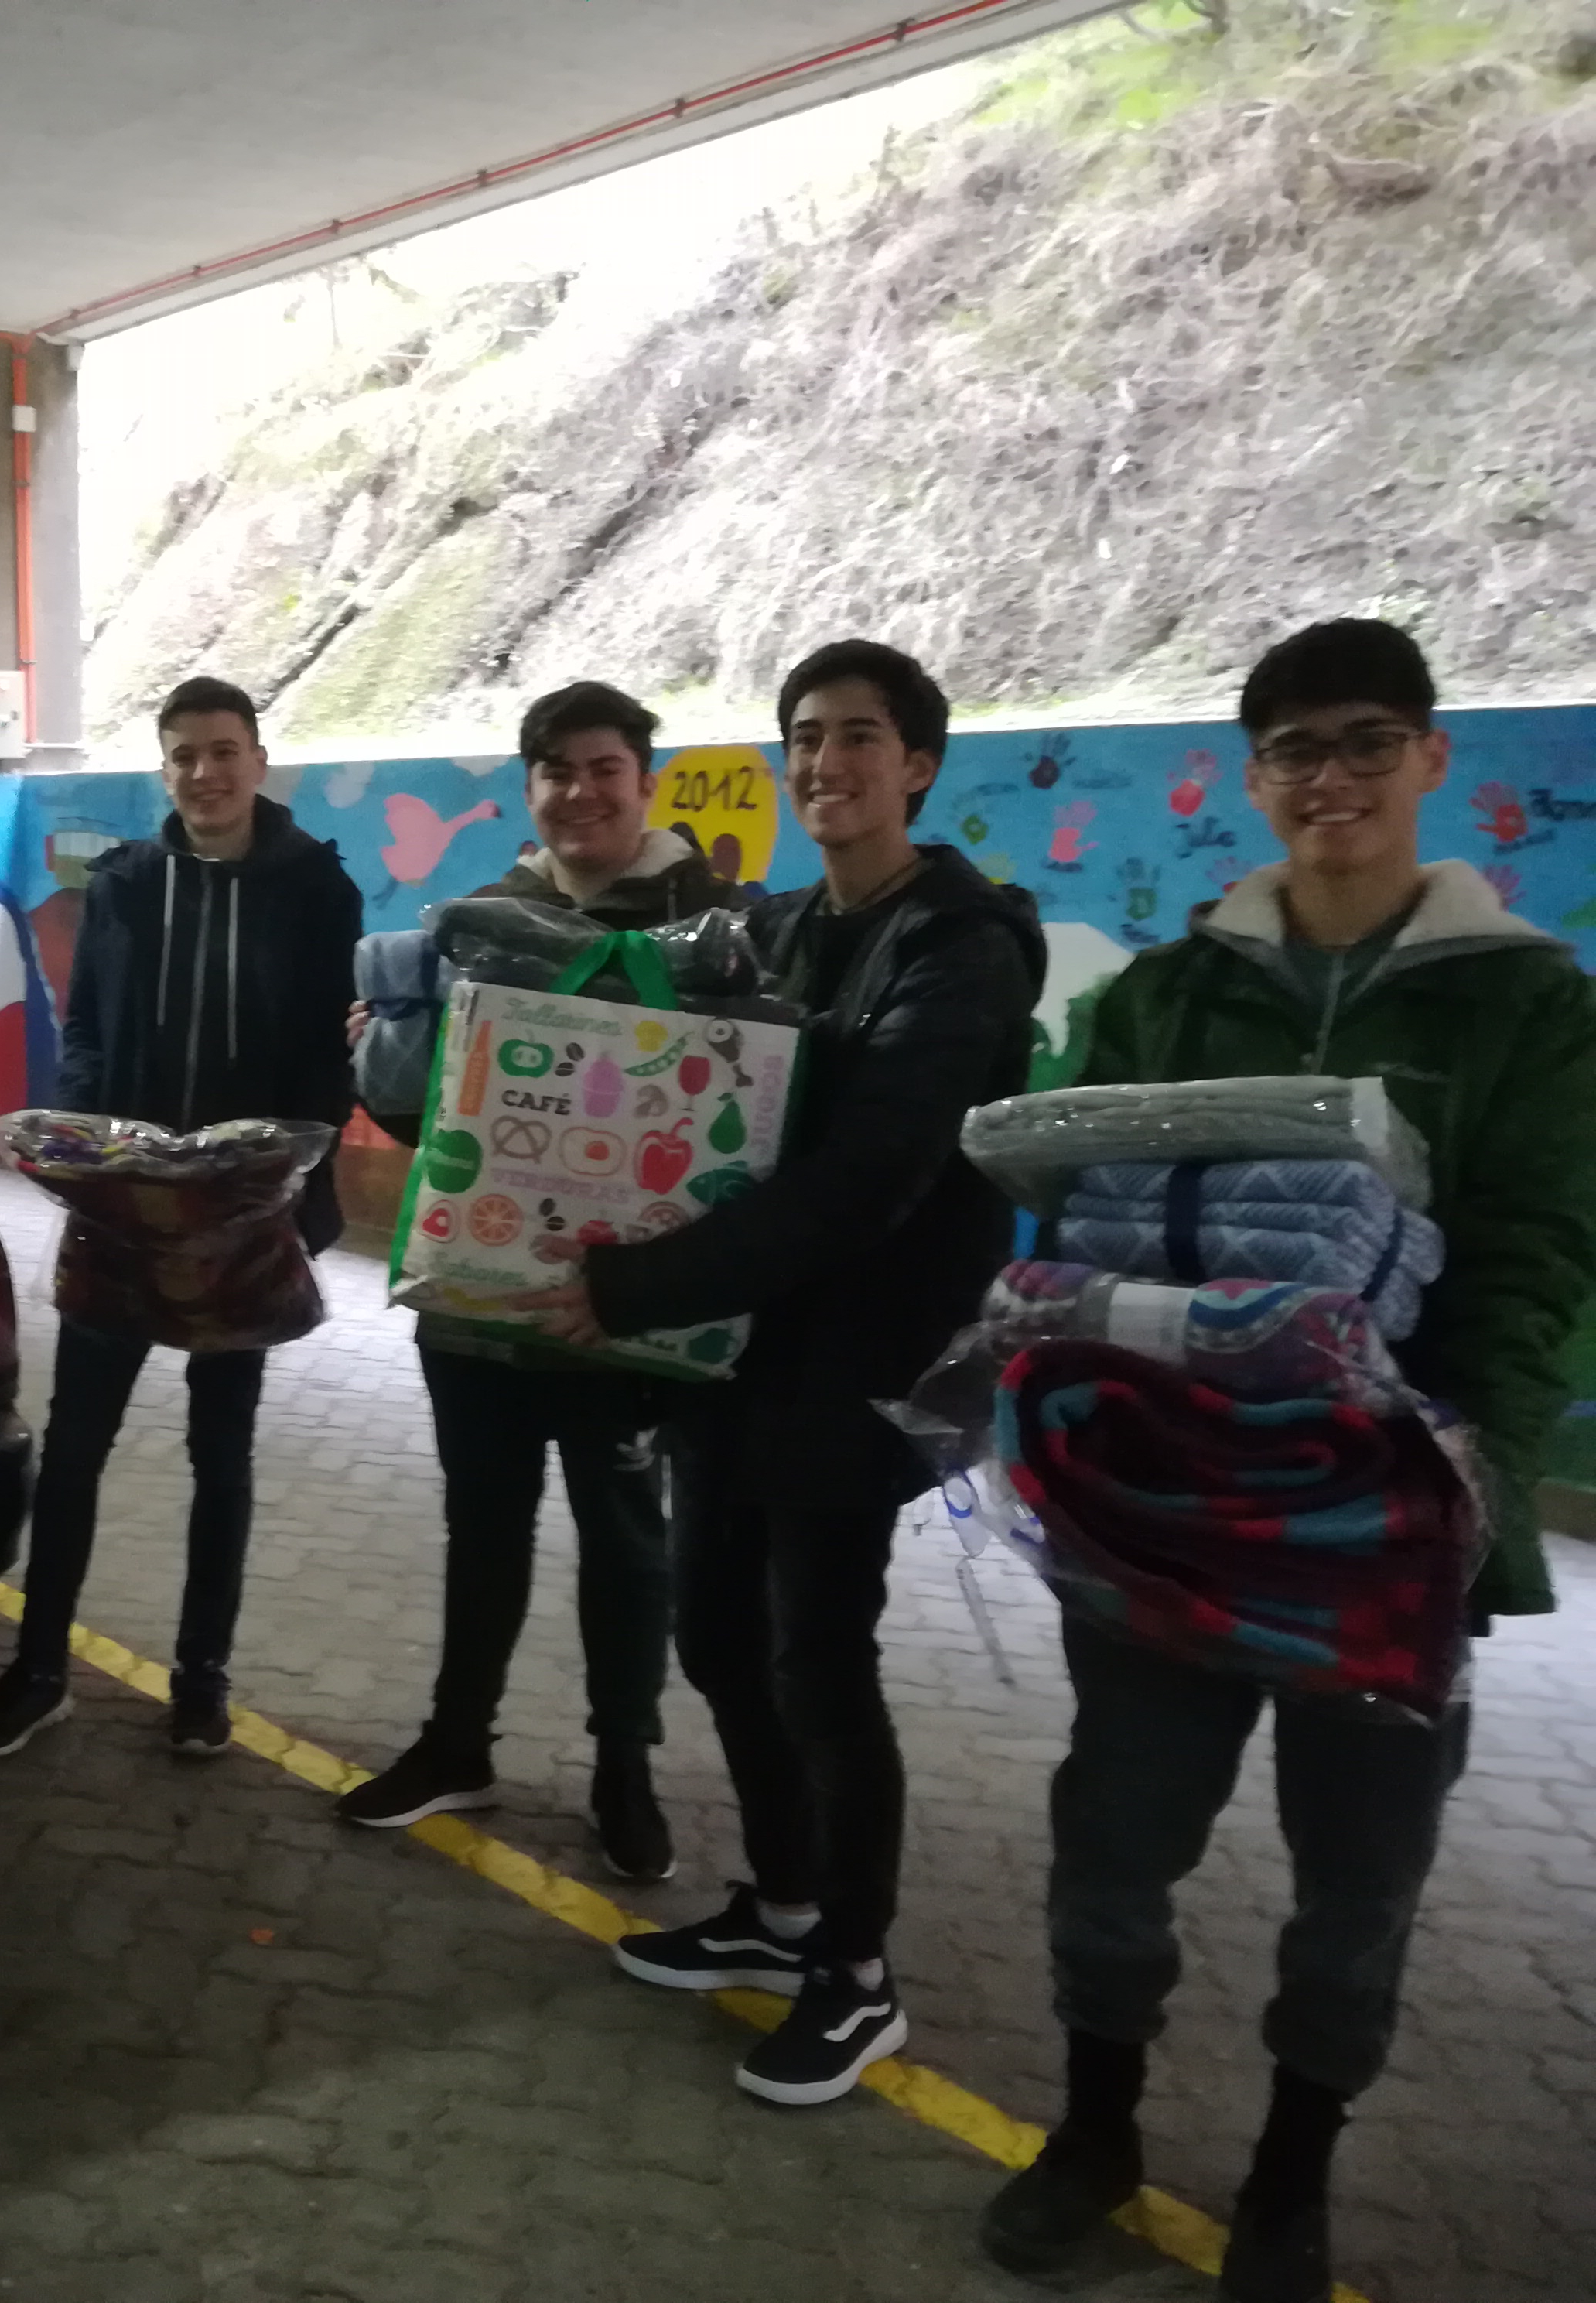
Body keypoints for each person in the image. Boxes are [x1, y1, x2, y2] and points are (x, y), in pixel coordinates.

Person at [977, 621, 1596, 2303]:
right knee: (1115, 1840)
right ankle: (1096, 2132)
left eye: (1367, 740)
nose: (1332, 778)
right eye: (1295, 750)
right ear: (1253, 780)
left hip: (1388, 1522)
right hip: (1164, 1498)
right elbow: (1084, 1217)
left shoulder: (1528, 1004)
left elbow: (1537, 1258)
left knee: (1358, 1884)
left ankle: (1289, 2177)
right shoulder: (1170, 991)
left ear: (1430, 757)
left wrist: (1463, 1487)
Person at [518, 641, 1044, 2106]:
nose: (826, 763)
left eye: (859, 737)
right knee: (715, 1633)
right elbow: (689, 1105)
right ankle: (785, 1902)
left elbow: (866, 1181)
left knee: (820, 1657)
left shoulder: (961, 949)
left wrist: (634, 1288)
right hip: (738, 1351)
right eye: (805, 737)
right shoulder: (776, 928)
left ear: (917, 765)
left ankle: (856, 1973)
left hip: (862, 1363)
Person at [333, 681, 738, 1880]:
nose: (581, 792)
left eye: (605, 768)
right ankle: (458, 1741)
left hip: (628, 1304)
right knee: (484, 1520)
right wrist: (384, 1052)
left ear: (646, 782)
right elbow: (422, 1119)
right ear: (530, 790)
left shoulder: (719, 931)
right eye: (557, 771)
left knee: (627, 1539)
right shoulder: (480, 926)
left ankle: (625, 1767)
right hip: (482, 1291)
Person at [0, 676, 362, 1761]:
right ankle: (39, 1669)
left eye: (223, 751)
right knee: (76, 1447)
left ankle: (202, 1680)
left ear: (258, 761)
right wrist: (91, 1150)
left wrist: (283, 1182)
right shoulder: (126, 883)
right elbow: (87, 1026)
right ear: (164, 769)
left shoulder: (317, 888)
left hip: (244, 1219)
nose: (204, 773)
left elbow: (329, 1054)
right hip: (125, 1207)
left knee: (220, 1451)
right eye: (183, 755)